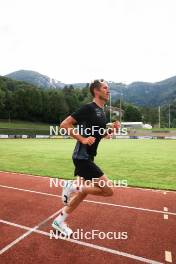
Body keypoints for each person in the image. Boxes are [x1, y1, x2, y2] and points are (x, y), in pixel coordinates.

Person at [52, 79, 120, 236]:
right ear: (96, 91)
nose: (108, 91)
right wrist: (82, 139)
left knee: (82, 194)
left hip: (88, 157)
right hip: (82, 157)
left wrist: (111, 130)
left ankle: (59, 221)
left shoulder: (102, 112)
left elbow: (99, 135)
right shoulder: (89, 108)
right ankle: (71, 186)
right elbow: (64, 124)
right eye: (105, 88)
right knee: (108, 190)